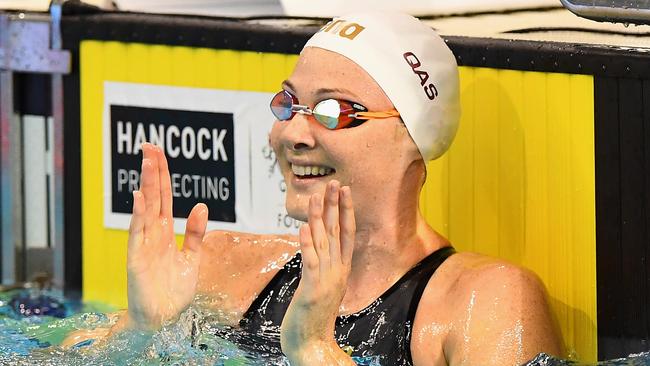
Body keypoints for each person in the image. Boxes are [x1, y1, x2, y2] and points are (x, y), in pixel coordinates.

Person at [68, 11, 564, 365]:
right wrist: (139, 333)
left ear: (413, 136)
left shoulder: (485, 303)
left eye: (334, 112)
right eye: (288, 102)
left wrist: (315, 351)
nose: (293, 133)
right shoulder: (229, 266)